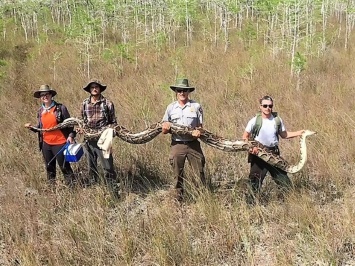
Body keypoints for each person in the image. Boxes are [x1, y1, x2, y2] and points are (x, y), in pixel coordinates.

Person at [242, 95, 304, 200]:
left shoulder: (277, 120)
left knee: (283, 180)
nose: (267, 108)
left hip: (273, 154)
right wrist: (252, 148)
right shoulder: (254, 121)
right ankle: (251, 205)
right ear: (260, 107)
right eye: (265, 106)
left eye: (270, 106)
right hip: (259, 154)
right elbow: (245, 137)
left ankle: (291, 201)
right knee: (255, 181)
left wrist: (300, 132)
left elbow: (284, 135)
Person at [162, 78, 206, 201]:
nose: (182, 93)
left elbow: (201, 127)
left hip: (193, 144)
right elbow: (164, 128)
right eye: (179, 90)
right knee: (177, 174)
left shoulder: (196, 106)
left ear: (188, 92)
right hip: (177, 144)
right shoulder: (170, 108)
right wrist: (165, 127)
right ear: (176, 92)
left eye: (184, 90)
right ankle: (178, 199)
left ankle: (202, 199)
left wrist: (199, 131)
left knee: (199, 173)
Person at [24, 85, 76, 187]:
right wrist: (31, 127)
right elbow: (41, 127)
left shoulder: (60, 108)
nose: (45, 96)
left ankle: (73, 188)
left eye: (46, 94)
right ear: (40, 98)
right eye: (42, 95)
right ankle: (52, 189)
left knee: (64, 166)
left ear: (51, 95)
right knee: (49, 167)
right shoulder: (40, 111)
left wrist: (71, 136)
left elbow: (70, 124)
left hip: (60, 143)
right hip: (46, 144)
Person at [80, 79, 119, 196]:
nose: (94, 89)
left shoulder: (108, 103)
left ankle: (113, 191)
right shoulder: (84, 103)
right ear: (89, 90)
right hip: (89, 140)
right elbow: (82, 120)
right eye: (92, 87)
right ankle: (95, 191)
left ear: (100, 88)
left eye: (96, 87)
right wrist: (81, 128)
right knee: (91, 166)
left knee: (107, 166)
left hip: (104, 139)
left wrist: (109, 132)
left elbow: (113, 122)